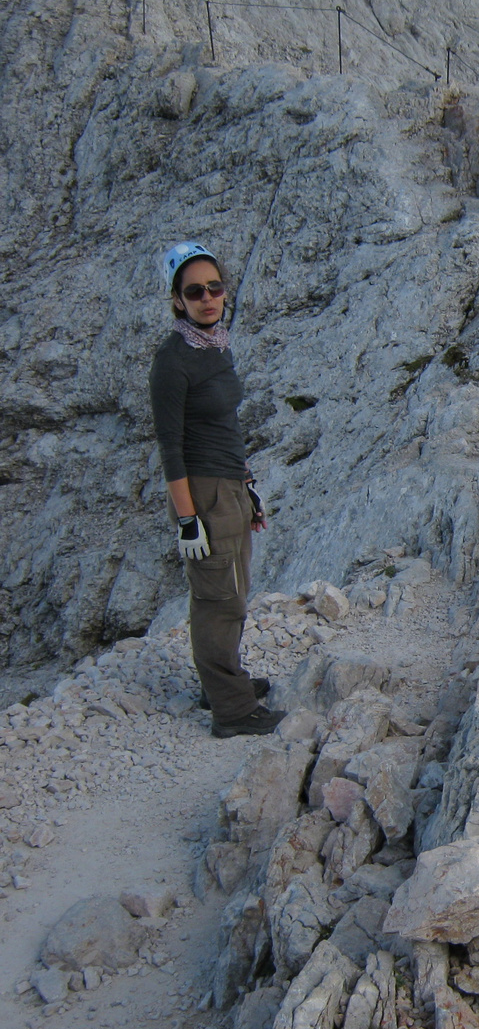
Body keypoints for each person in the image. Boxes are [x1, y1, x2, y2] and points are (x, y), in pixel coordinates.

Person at [149, 242, 284, 737]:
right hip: (201, 491)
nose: (208, 298)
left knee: (232, 588)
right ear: (176, 300)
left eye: (215, 287)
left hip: (228, 485)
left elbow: (224, 426)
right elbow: (171, 447)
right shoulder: (173, 361)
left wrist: (247, 486)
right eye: (194, 291)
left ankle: (222, 681)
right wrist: (187, 518)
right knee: (217, 598)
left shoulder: (215, 345)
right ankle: (231, 709)